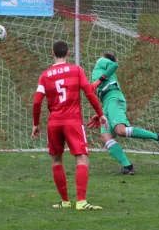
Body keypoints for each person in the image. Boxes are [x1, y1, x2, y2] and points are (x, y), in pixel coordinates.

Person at [32, 40, 108, 210]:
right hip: (72, 121)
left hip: (54, 123)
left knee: (57, 160)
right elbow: (88, 92)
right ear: (68, 53)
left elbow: (37, 102)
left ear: (52, 53)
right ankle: (81, 201)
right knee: (82, 158)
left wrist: (36, 124)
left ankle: (65, 201)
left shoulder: (45, 75)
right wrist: (101, 114)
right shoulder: (76, 70)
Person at [89, 52, 159, 175]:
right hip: (107, 103)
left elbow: (114, 65)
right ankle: (128, 166)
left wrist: (99, 81)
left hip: (113, 98)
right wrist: (100, 114)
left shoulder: (101, 61)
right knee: (106, 137)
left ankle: (158, 136)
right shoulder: (100, 72)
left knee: (120, 130)